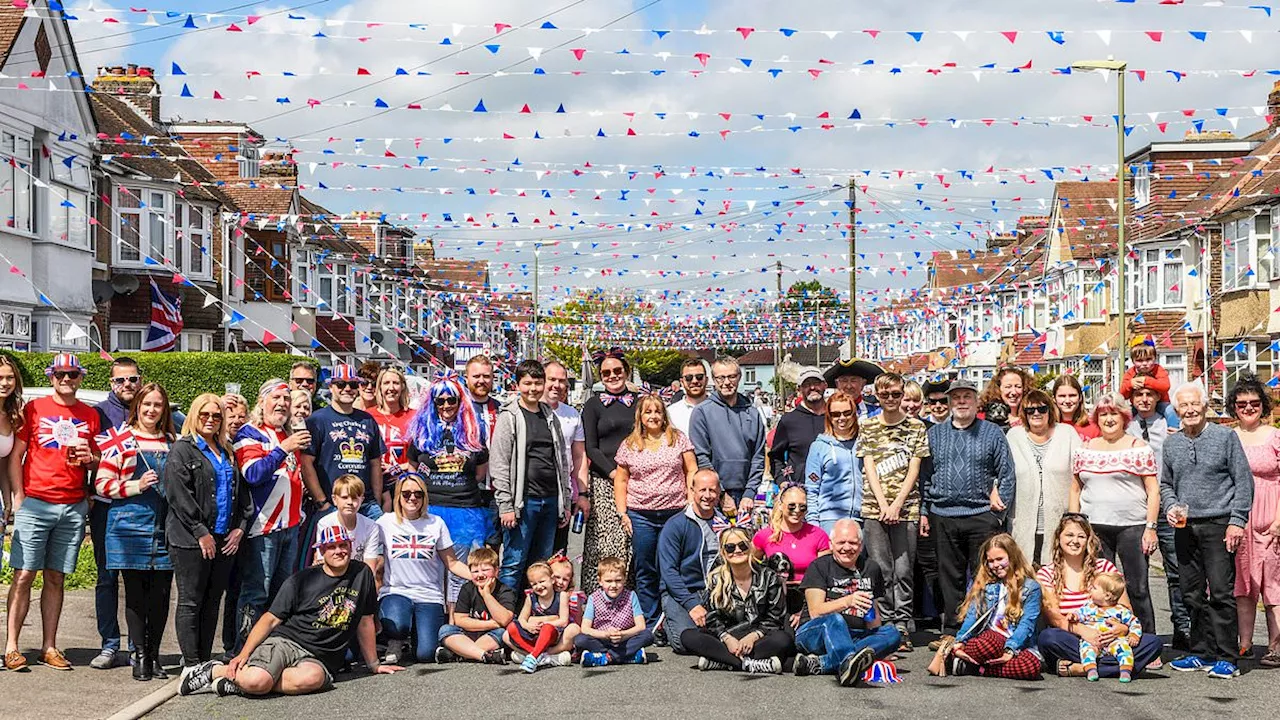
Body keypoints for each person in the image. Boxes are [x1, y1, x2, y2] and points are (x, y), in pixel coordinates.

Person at [178, 524, 401, 698]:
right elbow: (270, 620)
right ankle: (216, 671)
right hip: (287, 642)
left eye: (343, 545)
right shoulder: (302, 580)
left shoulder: (361, 574)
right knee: (257, 681)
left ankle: (245, 683)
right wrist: (242, 655)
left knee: (311, 679)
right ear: (321, 550)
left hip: (320, 658)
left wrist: (374, 664)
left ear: (351, 547)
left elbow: (364, 620)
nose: (339, 550)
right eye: (332, 546)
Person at [4, 353, 101, 671]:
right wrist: (19, 497)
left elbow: (96, 461)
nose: (66, 379)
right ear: (50, 377)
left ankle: (49, 646)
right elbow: (16, 455)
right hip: (36, 502)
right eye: (59, 374)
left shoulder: (90, 415)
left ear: (80, 377)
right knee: (23, 576)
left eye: (72, 373)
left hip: (71, 505)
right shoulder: (34, 409)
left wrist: (90, 461)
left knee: (56, 577)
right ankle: (12, 646)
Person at [1162, 381, 1253, 678]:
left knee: (1221, 593)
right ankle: (1201, 651)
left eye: (1193, 404)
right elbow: (1165, 484)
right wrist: (1170, 505)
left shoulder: (1225, 437)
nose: (1189, 410)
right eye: (1183, 406)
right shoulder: (1171, 443)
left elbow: (1243, 482)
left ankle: (1227, 657)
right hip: (1185, 526)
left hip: (1219, 524)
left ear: (1204, 406)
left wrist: (1237, 521)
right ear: (1177, 410)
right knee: (1191, 593)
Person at [93, 382, 175, 681]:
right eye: (147, 404)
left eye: (157, 405)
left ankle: (154, 656)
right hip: (128, 525)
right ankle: (139, 656)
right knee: (136, 595)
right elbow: (102, 485)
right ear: (136, 407)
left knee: (162, 595)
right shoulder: (122, 440)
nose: (152, 410)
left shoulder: (172, 440)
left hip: (164, 525)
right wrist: (135, 485)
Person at [167, 393, 252, 671]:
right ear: (194, 415)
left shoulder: (226, 450)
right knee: (191, 600)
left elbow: (241, 495)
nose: (211, 420)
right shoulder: (183, 449)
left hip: (224, 537)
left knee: (213, 600)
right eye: (205, 414)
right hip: (191, 539)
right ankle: (191, 663)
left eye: (216, 415)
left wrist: (240, 527)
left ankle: (204, 659)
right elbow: (179, 494)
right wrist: (200, 531)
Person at [925, 379, 1015, 631]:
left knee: (984, 575)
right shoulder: (934, 435)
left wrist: (1000, 512)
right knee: (949, 578)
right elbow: (925, 476)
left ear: (976, 402)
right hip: (943, 514)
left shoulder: (992, 432)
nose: (961, 402)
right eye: (956, 398)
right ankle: (952, 630)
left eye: (967, 397)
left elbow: (1007, 473)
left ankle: (981, 627)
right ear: (950, 402)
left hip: (981, 515)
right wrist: (925, 511)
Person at [1069, 392, 1159, 639]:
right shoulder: (1085, 449)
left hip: (1132, 525)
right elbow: (1075, 488)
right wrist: (1075, 525)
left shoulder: (1138, 447)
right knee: (1099, 586)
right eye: (1103, 414)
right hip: (1094, 526)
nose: (1109, 419)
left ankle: (1145, 638)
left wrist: (1151, 527)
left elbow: (1153, 490)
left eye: (1114, 414)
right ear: (1096, 418)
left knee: (1137, 586)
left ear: (1124, 417)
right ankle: (1103, 638)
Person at [1036, 513, 1164, 677]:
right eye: (1069, 535)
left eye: (1081, 536)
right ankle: (1123, 666)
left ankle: (1080, 669)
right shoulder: (1047, 573)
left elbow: (1126, 609)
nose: (1075, 541)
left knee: (1153, 643)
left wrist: (1122, 629)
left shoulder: (1104, 567)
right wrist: (1085, 632)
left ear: (1088, 540)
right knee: (1048, 638)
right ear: (1058, 539)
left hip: (1112, 638)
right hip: (1074, 638)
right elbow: (1054, 618)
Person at [233, 379, 309, 651]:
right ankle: (242, 649)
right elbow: (253, 474)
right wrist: (283, 448)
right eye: (276, 398)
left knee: (280, 595)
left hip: (289, 526)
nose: (282, 404)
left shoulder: (285, 433)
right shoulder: (250, 433)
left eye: (286, 399)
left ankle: (271, 648)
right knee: (256, 592)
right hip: (263, 527)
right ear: (261, 401)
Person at [858, 371, 929, 647]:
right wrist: (883, 504)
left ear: (903, 395)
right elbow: (869, 467)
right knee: (882, 569)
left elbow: (914, 467)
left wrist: (897, 503)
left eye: (896, 394)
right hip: (874, 507)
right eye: (885, 394)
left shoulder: (916, 427)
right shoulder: (868, 426)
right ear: (877, 395)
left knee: (903, 570)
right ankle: (886, 624)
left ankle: (903, 624)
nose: (890, 399)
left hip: (907, 507)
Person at [405, 371, 488, 600]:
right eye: (440, 401)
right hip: (429, 509)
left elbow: (480, 472)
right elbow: (412, 467)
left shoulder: (473, 433)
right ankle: (431, 616)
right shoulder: (422, 433)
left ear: (461, 402)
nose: (446, 405)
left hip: (464, 509)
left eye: (451, 400)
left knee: (458, 571)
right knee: (430, 569)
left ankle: (454, 619)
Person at [615, 394, 697, 624]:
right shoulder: (629, 444)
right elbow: (621, 480)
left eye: (657, 411)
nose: (653, 416)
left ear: (664, 415)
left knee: (672, 567)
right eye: (648, 412)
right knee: (646, 567)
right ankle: (650, 620)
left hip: (676, 511)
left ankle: (673, 617)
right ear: (640, 416)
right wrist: (623, 513)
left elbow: (691, 469)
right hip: (641, 514)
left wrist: (691, 500)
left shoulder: (678, 439)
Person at [490, 360, 572, 590]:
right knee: (514, 562)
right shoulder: (510, 416)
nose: (533, 389)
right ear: (518, 385)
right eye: (527, 383)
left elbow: (561, 461)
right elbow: (499, 462)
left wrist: (565, 500)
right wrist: (505, 505)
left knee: (541, 564)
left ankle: (534, 612)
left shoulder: (549, 416)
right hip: (523, 501)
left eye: (538, 383)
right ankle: (506, 612)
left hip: (549, 498)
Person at [375, 472, 472, 664]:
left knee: (426, 655)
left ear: (424, 497)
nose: (412, 498)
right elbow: (373, 561)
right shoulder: (385, 522)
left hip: (429, 595)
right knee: (398, 625)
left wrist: (477, 576)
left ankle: (415, 636)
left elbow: (452, 563)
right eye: (406, 494)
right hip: (395, 591)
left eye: (418, 494)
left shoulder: (436, 523)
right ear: (398, 496)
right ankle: (396, 639)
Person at [88, 357, 145, 670]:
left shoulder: (149, 410)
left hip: (140, 507)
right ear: (111, 383)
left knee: (137, 579)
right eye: (120, 381)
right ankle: (109, 643)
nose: (127, 386)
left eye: (132, 379)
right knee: (106, 578)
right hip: (106, 506)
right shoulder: (98, 414)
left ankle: (138, 646)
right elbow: (87, 455)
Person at [792, 519, 900, 685]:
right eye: (841, 542)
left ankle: (822, 664)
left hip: (853, 634)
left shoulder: (871, 568)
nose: (847, 548)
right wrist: (848, 601)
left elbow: (873, 613)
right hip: (814, 632)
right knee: (835, 620)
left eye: (853, 543)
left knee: (892, 633)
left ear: (861, 545)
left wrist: (882, 647)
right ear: (831, 544)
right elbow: (816, 611)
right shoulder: (819, 566)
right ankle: (847, 663)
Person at [1127, 383, 1191, 649]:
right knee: (1134, 575)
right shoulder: (1124, 423)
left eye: (1149, 394)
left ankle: (1183, 627)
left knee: (1176, 569)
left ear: (1157, 397)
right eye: (1138, 394)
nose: (1144, 399)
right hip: (1133, 503)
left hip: (1165, 503)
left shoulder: (1168, 423)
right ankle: (1137, 631)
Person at [928, 533, 1042, 679]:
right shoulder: (985, 584)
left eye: (1000, 559)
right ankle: (974, 661)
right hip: (989, 640)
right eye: (991, 561)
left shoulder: (1031, 587)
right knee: (987, 643)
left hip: (1015, 643)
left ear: (1012, 557)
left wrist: (1010, 649)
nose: (995, 565)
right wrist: (960, 641)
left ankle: (974, 668)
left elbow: (1027, 624)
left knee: (1031, 666)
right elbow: (972, 616)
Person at [681, 527, 790, 674]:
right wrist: (727, 638)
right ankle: (749, 664)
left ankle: (722, 662)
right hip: (727, 637)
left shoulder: (769, 576)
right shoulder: (716, 578)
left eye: (742, 545)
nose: (737, 550)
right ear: (723, 552)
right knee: (688, 636)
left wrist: (753, 636)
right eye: (730, 547)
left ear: (750, 547)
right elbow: (712, 618)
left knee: (783, 639)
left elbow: (775, 618)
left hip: (759, 636)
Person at [1226, 375, 1280, 666]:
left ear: (1263, 405)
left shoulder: (1275, 436)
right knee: (1243, 584)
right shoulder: (1228, 437)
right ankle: (1244, 643)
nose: (1248, 407)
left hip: (1271, 513)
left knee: (1274, 585)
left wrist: (1279, 519)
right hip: (1238, 516)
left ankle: (1276, 645)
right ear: (1234, 406)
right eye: (1242, 403)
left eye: (1254, 403)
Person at [302, 365, 385, 530]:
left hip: (366, 504)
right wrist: (322, 502)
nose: (347, 389)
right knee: (333, 553)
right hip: (333, 503)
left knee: (377, 551)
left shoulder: (368, 420)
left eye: (353, 385)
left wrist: (376, 499)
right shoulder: (316, 420)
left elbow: (375, 463)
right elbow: (306, 463)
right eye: (341, 384)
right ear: (331, 387)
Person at [582, 349, 638, 593]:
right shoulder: (593, 405)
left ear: (626, 371)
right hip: (605, 481)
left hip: (637, 481)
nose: (612, 376)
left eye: (617, 370)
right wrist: (614, 474)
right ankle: (598, 599)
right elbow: (591, 447)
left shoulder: (639, 403)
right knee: (606, 544)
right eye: (606, 372)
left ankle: (631, 600)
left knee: (633, 541)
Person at [658, 469, 729, 654]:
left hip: (717, 591)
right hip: (683, 592)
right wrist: (691, 604)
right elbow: (668, 571)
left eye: (712, 490)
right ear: (692, 491)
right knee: (684, 643)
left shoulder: (725, 524)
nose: (708, 496)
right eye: (703, 490)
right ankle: (667, 623)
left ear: (719, 492)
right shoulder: (676, 525)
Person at [1008, 388, 1081, 565]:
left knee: (1057, 577)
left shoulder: (1067, 433)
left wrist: (1075, 516)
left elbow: (1079, 475)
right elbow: (1004, 475)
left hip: (1059, 520)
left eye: (1042, 409)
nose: (1036, 414)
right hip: (1023, 521)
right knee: (1024, 578)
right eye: (1030, 410)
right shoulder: (1014, 436)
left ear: (1050, 410)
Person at [690, 356, 766, 517]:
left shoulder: (752, 413)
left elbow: (758, 456)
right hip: (713, 496)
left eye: (731, 376)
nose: (726, 382)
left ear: (739, 377)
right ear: (713, 379)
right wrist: (721, 494)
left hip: (746, 495)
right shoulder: (702, 412)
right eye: (721, 378)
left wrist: (750, 493)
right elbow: (702, 457)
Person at [436, 546, 514, 665]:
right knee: (445, 630)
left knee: (502, 632)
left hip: (491, 636)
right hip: (468, 635)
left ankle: (460, 654)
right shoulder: (467, 588)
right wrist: (491, 623)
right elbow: (460, 620)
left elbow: (504, 620)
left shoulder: (505, 590)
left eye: (485, 570)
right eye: (475, 571)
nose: (480, 575)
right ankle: (484, 655)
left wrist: (487, 595)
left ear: (496, 571)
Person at [543, 360, 590, 558]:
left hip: (565, 493)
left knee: (559, 552)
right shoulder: (530, 410)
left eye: (562, 381)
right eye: (551, 379)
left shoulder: (572, 414)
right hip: (535, 493)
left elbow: (579, 456)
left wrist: (583, 494)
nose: (557, 385)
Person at [753, 486, 830, 602]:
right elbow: (751, 565)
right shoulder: (764, 536)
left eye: (802, 507)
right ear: (780, 505)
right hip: (774, 596)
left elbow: (825, 573)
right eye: (792, 506)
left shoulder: (818, 535)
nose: (797, 510)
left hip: (808, 596)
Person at [576, 555, 655, 667]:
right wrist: (605, 634)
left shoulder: (631, 596)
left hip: (625, 639)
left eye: (618, 581)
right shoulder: (593, 598)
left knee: (648, 635)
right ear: (600, 581)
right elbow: (585, 628)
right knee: (580, 639)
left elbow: (641, 626)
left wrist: (623, 634)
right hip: (602, 639)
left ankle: (606, 657)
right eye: (608, 581)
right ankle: (627, 656)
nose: (614, 585)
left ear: (624, 580)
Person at [804, 391, 862, 534]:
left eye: (847, 413)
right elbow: (812, 488)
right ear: (829, 416)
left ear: (854, 413)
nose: (842, 418)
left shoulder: (864, 443)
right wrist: (813, 523)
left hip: (862, 517)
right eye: (836, 414)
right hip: (829, 518)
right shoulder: (819, 447)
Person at [1072, 572, 1143, 682]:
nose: (1090, 589)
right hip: (1093, 640)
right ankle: (1091, 669)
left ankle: (1125, 671)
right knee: (1086, 649)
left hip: (1115, 640)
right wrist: (1074, 616)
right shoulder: (1090, 606)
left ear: (1107, 595)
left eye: (1094, 588)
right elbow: (1079, 614)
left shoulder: (1121, 610)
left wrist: (1134, 635)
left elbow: (1134, 622)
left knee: (1125, 649)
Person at [504, 561, 573, 672]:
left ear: (552, 579)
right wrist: (527, 626)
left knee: (547, 628)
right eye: (534, 584)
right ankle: (539, 656)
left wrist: (546, 624)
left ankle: (532, 657)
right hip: (534, 634)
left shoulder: (561, 596)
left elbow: (564, 621)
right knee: (511, 627)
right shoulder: (531, 597)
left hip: (552, 634)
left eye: (542, 581)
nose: (539, 586)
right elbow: (522, 618)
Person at [311, 475, 383, 577]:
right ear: (334, 499)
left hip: (358, 577)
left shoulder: (371, 526)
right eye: (344, 497)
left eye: (354, 498)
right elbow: (322, 561)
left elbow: (369, 566)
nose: (349, 502)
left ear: (362, 500)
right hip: (332, 575)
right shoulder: (325, 523)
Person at [768, 367, 827, 487]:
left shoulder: (836, 416)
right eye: (806, 385)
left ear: (825, 385)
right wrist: (782, 480)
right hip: (801, 492)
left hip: (833, 491)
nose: (812, 388)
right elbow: (775, 457)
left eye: (816, 383)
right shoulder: (789, 421)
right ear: (799, 389)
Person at [368, 367, 414, 483]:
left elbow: (422, 456)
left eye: (396, 383)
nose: (391, 388)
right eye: (386, 383)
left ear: (402, 386)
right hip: (374, 481)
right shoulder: (367, 416)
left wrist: (396, 468)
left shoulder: (414, 416)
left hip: (405, 481)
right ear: (380, 387)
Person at [1119, 338, 1170, 405]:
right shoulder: (1130, 373)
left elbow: (1165, 386)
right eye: (1139, 360)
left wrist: (1146, 381)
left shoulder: (1158, 369)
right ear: (1132, 361)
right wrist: (1130, 384)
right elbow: (1122, 395)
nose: (1144, 363)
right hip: (1138, 405)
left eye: (1148, 359)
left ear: (1155, 358)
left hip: (1161, 403)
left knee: (1170, 412)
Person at [667, 358, 711, 435]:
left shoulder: (720, 408)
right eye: (688, 378)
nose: (694, 381)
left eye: (699, 376)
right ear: (682, 382)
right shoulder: (671, 413)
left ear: (706, 380)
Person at [978, 366, 1029, 431]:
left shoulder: (1033, 415)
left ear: (1024, 389)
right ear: (998, 389)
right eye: (1008, 387)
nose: (1013, 392)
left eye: (1018, 387)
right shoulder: (981, 419)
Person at [1052, 374, 1099, 441]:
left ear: (1080, 398)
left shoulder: (1094, 426)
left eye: (1072, 395)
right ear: (1054, 399)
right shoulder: (1048, 427)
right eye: (1062, 396)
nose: (1067, 401)